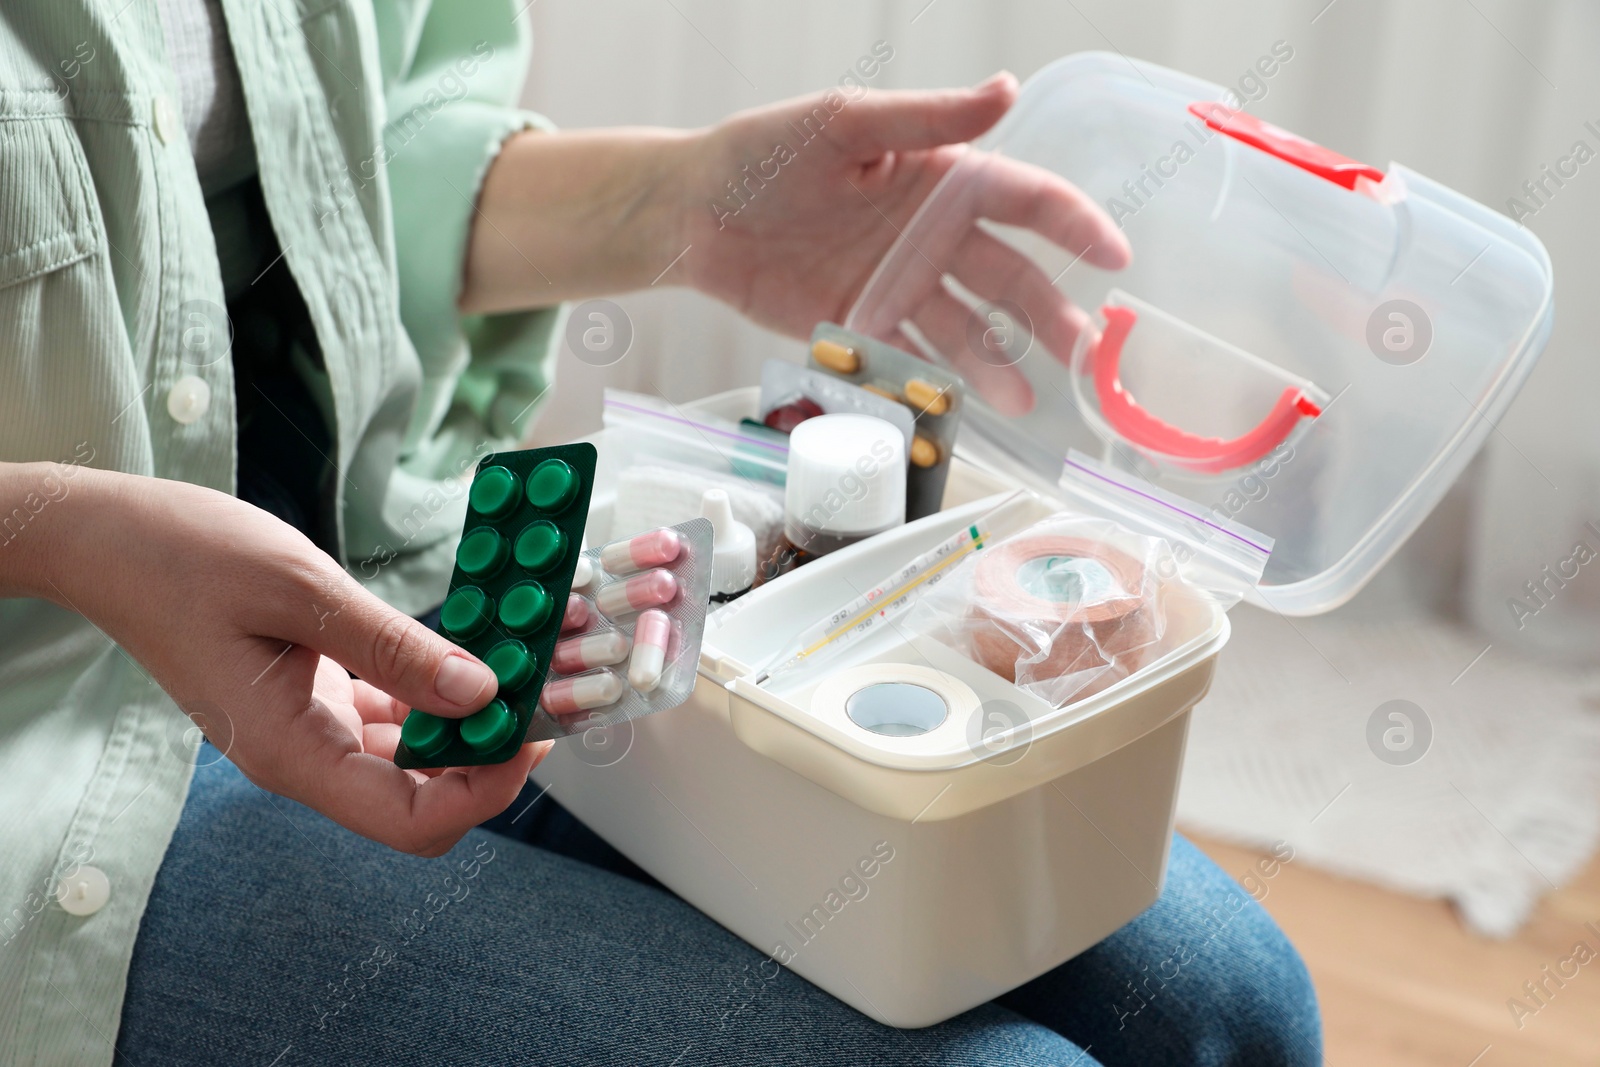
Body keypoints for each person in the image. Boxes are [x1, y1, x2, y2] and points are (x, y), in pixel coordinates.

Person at [0, 1, 1321, 1063]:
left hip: (394, 579)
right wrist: (68, 530)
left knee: (1228, 1002)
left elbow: (360, 159)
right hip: (48, 731)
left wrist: (687, 206)